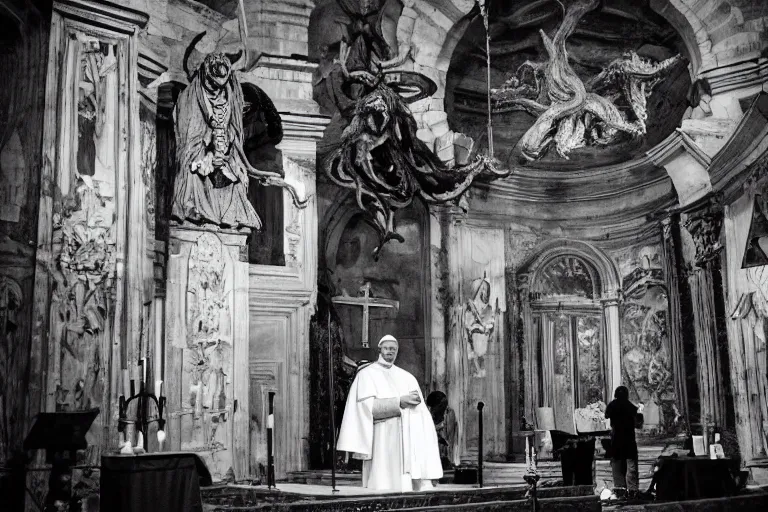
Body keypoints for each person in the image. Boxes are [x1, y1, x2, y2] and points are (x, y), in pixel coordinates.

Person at [337, 334, 443, 491]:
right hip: (382, 438)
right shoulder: (366, 375)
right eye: (386, 348)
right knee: (383, 483)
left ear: (397, 351)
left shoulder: (407, 377)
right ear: (380, 349)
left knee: (405, 486)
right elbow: (369, 409)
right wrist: (398, 402)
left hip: (407, 439)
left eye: (393, 349)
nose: (390, 351)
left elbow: (421, 412)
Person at [605, 385, 640, 499]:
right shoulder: (631, 407)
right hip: (629, 440)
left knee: (617, 466)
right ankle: (632, 490)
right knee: (631, 467)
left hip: (616, 440)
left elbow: (606, 415)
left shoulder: (611, 405)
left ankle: (620, 491)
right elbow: (637, 422)